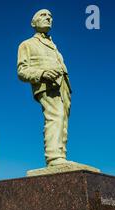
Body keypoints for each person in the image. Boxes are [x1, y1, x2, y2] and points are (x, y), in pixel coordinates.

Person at [18, 9, 72, 166]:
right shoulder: (27, 44)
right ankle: (54, 157)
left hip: (64, 86)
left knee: (62, 121)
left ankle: (60, 155)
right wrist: (42, 74)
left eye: (50, 16)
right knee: (55, 116)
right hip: (46, 84)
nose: (48, 18)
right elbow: (22, 71)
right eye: (43, 15)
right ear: (33, 23)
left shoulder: (54, 46)